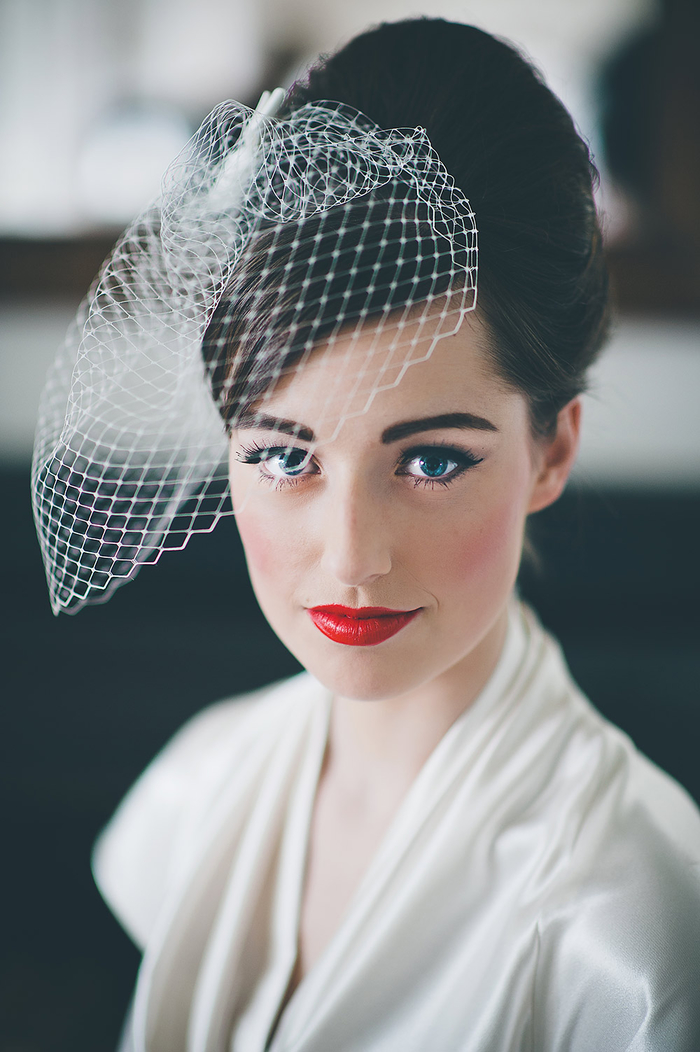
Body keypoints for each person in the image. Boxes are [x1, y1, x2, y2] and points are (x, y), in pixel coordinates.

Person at [32, 18, 700, 1052]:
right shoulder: (196, 788)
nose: (351, 554)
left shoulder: (636, 926)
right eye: (284, 455)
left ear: (553, 450)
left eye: (430, 460)